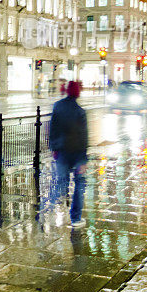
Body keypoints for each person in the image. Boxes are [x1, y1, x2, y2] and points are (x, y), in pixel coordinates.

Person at [48, 80, 88, 228]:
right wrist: (83, 159)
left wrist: (54, 148)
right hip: (77, 153)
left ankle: (46, 210)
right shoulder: (80, 112)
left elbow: (52, 129)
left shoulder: (57, 106)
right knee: (79, 184)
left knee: (60, 182)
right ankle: (76, 218)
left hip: (62, 151)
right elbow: (84, 136)